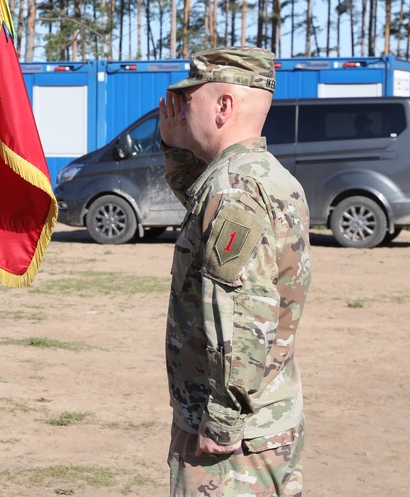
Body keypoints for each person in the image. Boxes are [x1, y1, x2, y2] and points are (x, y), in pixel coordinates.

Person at [158, 46, 311, 497]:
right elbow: (209, 226)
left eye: (191, 102)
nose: (183, 113)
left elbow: (243, 309)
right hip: (264, 415)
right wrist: (177, 150)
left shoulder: (233, 189)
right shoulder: (262, 176)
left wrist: (222, 419)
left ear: (224, 106)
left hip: (235, 437)